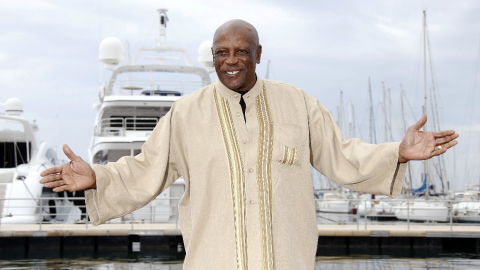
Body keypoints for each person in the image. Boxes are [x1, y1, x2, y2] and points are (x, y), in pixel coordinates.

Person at [40, 20, 458, 270]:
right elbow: (146, 169)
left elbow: (343, 157)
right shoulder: (185, 115)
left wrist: (397, 152)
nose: (231, 60)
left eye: (241, 51)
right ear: (214, 58)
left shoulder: (298, 105)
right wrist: (98, 176)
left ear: (258, 54)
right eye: (222, 52)